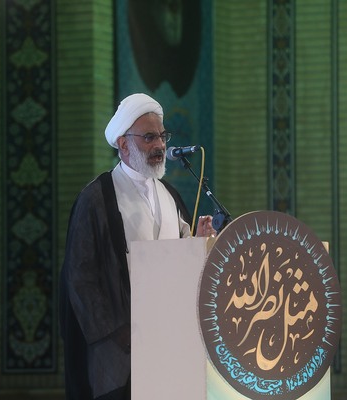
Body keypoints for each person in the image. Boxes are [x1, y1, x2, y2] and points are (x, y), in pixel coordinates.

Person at [59, 93, 215, 399]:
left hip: (169, 345)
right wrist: (119, 333)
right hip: (119, 355)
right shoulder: (97, 198)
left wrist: (198, 243)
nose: (160, 145)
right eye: (149, 137)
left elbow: (178, 260)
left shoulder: (170, 195)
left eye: (162, 136)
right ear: (123, 144)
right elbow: (79, 278)